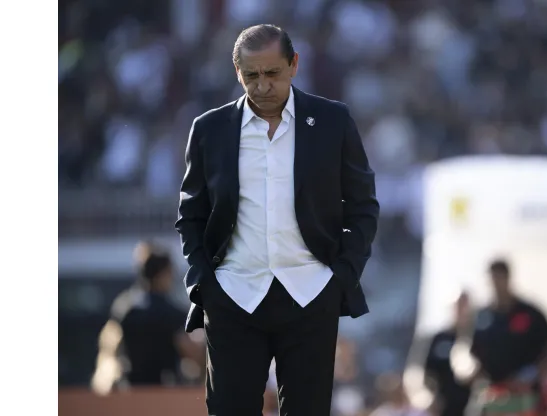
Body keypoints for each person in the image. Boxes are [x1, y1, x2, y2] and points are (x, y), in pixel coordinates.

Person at [175, 24, 379, 415]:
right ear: (237, 73)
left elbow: (363, 206)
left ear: (294, 65)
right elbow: (191, 215)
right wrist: (207, 285)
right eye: (251, 75)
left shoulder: (333, 121)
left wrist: (340, 277)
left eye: (272, 73)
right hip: (233, 296)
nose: (262, 85)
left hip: (310, 294)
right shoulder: (208, 129)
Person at [91, 241, 203, 393]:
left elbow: (109, 350)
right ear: (164, 273)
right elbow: (192, 353)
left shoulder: (123, 308)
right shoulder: (171, 312)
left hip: (129, 392)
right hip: (165, 393)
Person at [468, 259, 547, 385]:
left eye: (500, 278)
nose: (497, 284)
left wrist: (531, 375)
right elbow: (471, 352)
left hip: (524, 391)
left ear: (508, 278)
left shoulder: (531, 314)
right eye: (493, 278)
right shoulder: (481, 317)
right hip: (491, 391)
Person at [423, 292, 473, 416]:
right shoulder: (439, 338)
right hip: (444, 405)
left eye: (465, 307)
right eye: (459, 306)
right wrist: (431, 396)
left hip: (472, 405)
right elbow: (426, 372)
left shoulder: (477, 337)